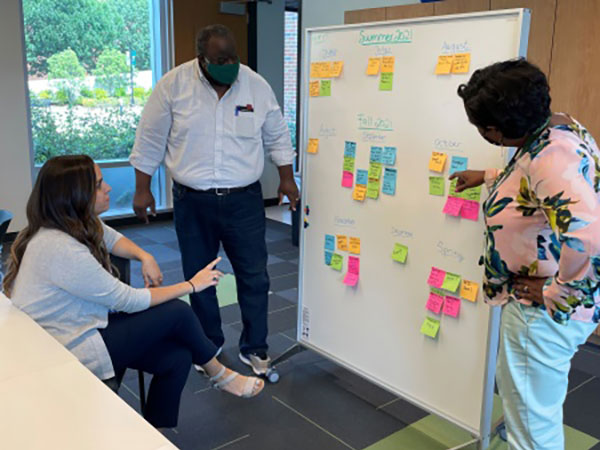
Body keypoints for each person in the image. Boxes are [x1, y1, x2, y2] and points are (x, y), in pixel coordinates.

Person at [3, 155, 264, 429]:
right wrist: (192, 285)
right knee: (177, 312)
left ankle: (154, 434)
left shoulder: (72, 223)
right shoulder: (59, 248)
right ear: (76, 195)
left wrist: (144, 255)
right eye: (99, 184)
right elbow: (128, 300)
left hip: (83, 326)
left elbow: (113, 239)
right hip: (67, 347)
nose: (108, 189)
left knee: (178, 357)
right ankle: (220, 374)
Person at [130, 24, 298, 374]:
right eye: (220, 59)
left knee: (255, 275)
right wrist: (142, 189)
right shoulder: (174, 86)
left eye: (233, 56)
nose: (230, 64)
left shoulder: (255, 85)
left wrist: (286, 178)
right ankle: (208, 343)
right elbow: (149, 139)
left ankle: (255, 347)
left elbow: (277, 135)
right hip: (193, 202)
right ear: (201, 59)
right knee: (199, 277)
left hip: (244, 201)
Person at [450, 59, 600, 449]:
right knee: (533, 409)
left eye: (483, 128)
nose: (483, 133)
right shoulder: (556, 128)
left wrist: (556, 292)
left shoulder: (551, 158)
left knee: (533, 428)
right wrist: (487, 177)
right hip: (551, 306)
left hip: (542, 314)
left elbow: (590, 239)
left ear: (498, 130)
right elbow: (536, 187)